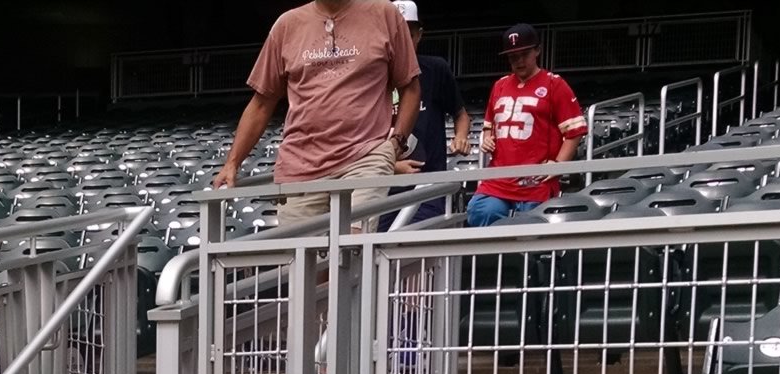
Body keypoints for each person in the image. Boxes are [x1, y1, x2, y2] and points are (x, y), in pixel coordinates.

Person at [215, 0, 422, 229]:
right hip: (301, 164)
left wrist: (395, 143)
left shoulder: (385, 14)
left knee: (352, 248)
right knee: (306, 260)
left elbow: (410, 87)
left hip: (365, 154)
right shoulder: (287, 24)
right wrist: (232, 163)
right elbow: (262, 103)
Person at [465, 24, 586, 228]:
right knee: (480, 212)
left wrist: (558, 165)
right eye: (513, 56)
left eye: (524, 54)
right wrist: (487, 138)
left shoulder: (554, 84)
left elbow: (575, 131)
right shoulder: (500, 85)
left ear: (537, 51)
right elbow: (489, 125)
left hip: (535, 179)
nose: (519, 61)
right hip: (499, 177)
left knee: (530, 229)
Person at [387, 0, 471, 222]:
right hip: (382, 186)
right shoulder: (373, 77)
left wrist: (461, 136)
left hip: (428, 185)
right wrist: (390, 167)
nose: (402, 41)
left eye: (408, 34)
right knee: (370, 249)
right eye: (396, 34)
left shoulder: (435, 69)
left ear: (419, 35)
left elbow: (460, 114)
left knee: (408, 246)